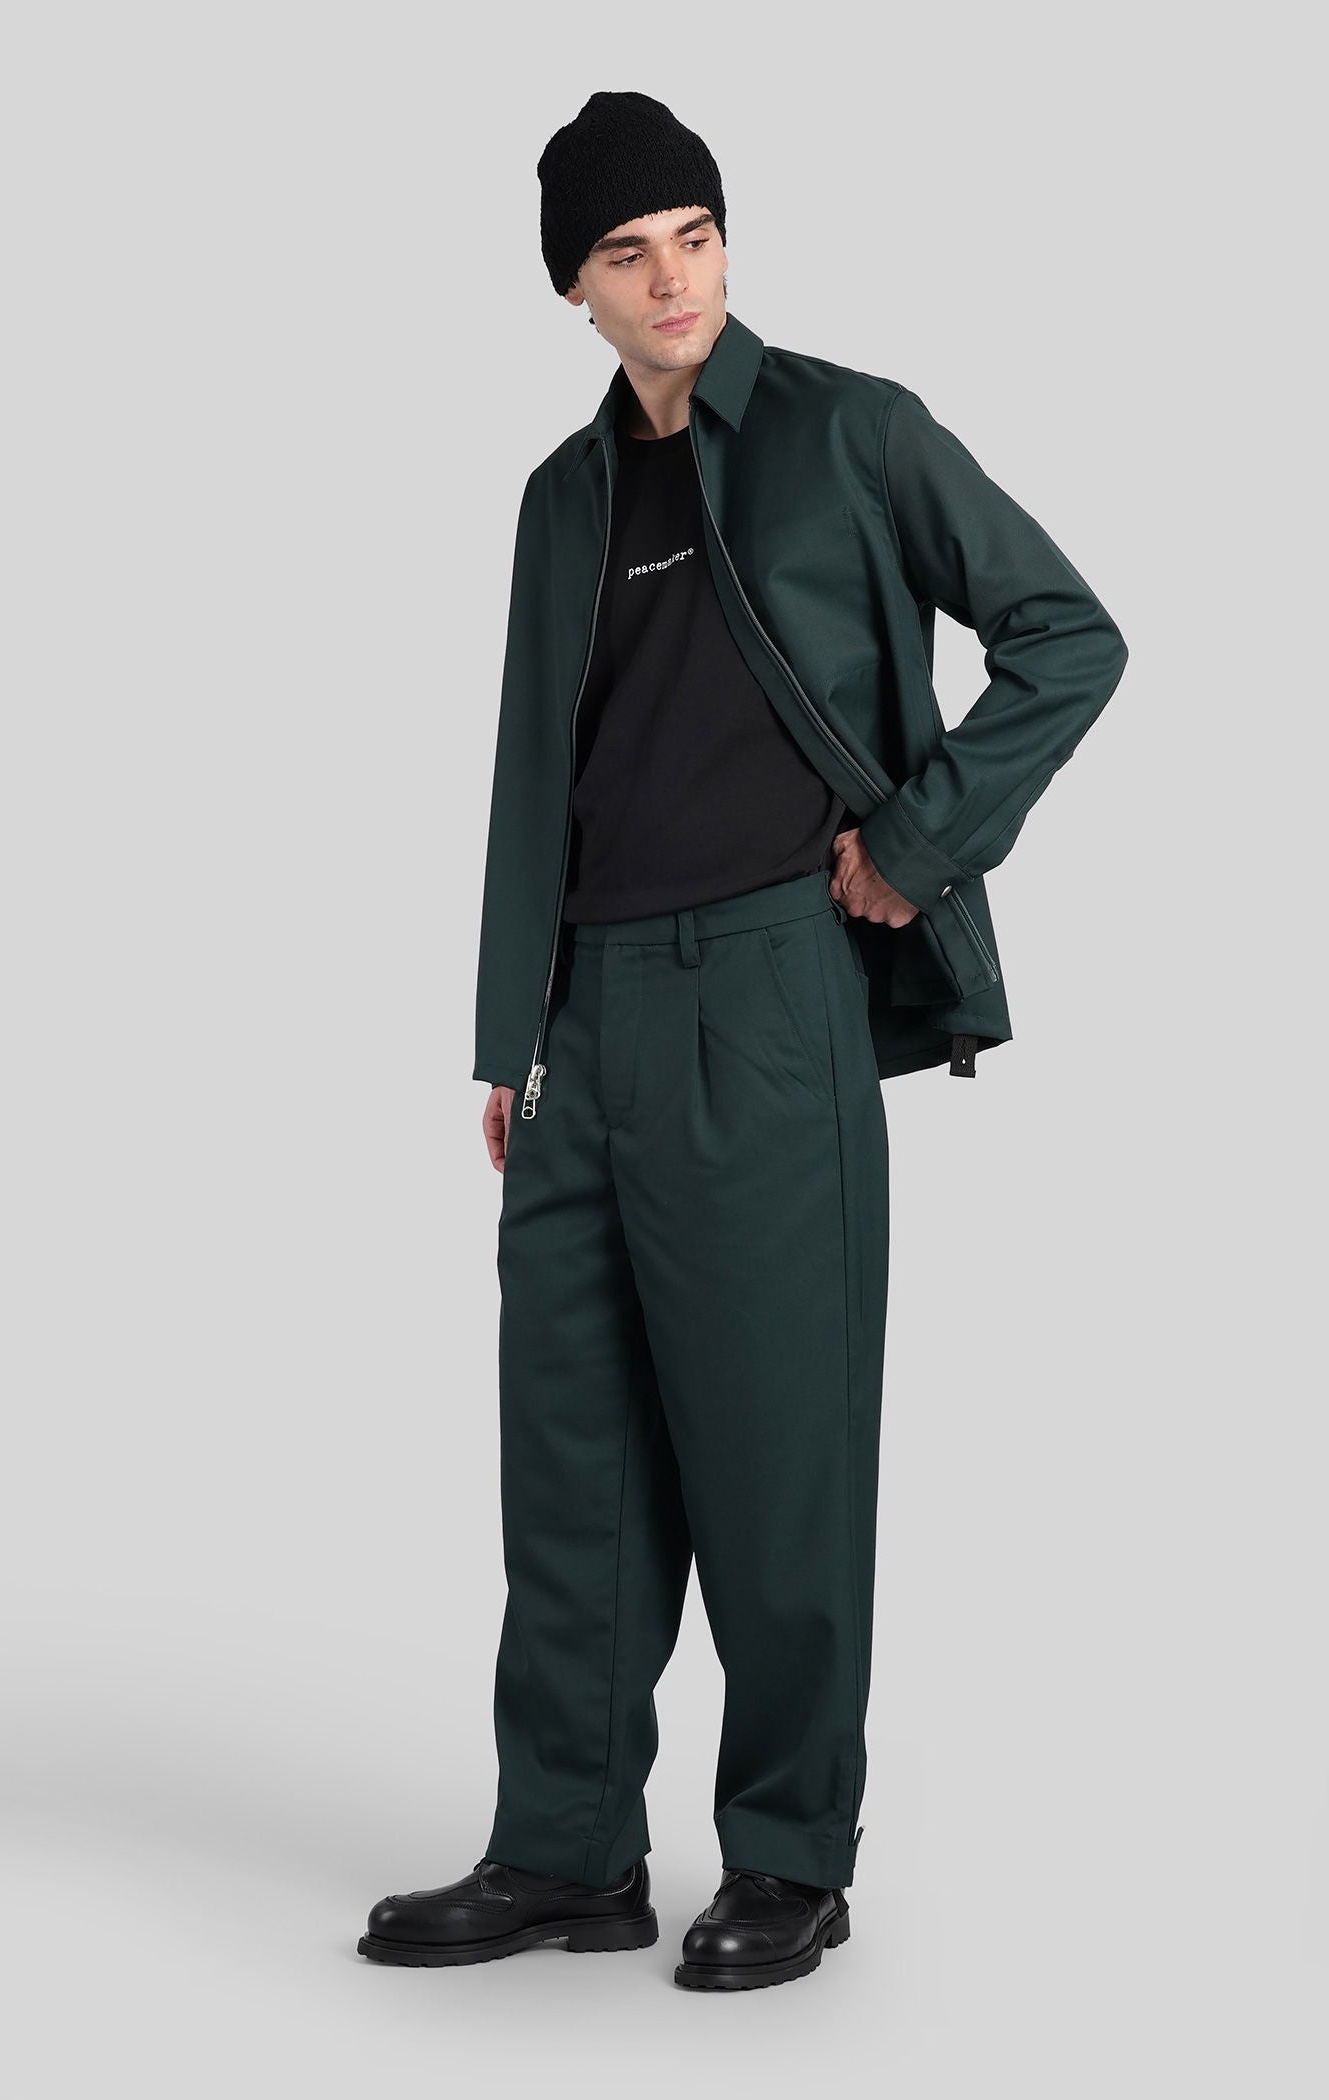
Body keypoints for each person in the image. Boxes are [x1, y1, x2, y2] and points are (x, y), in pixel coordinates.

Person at [359, 90, 1128, 1992]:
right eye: (626, 254)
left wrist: (919, 844)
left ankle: (789, 1857)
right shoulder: (557, 499)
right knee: (573, 1462)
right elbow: (533, 774)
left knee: (778, 1453)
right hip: (584, 1023)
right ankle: (566, 1853)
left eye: (693, 235)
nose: (671, 279)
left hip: (771, 992)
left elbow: (1067, 632)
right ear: (573, 288)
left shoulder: (853, 432)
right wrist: (507, 1034)